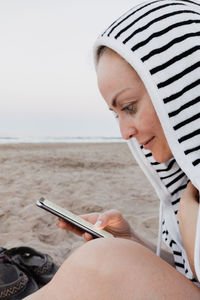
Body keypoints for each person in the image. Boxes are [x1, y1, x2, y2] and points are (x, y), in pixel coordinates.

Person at [24, 0, 200, 299]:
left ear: (184, 89)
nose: (125, 133)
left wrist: (190, 214)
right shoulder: (187, 186)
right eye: (117, 113)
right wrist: (131, 243)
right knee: (110, 256)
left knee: (104, 260)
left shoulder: (190, 199)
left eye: (130, 107)